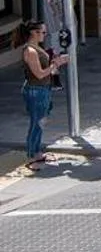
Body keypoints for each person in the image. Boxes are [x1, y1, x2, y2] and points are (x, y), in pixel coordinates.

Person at [20, 21, 67, 170]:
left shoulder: (36, 48)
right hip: (36, 90)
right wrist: (56, 64)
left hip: (42, 89)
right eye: (43, 32)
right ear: (34, 32)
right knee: (36, 123)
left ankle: (37, 152)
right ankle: (31, 156)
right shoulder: (30, 51)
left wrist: (54, 62)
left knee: (40, 122)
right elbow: (39, 74)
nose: (45, 35)